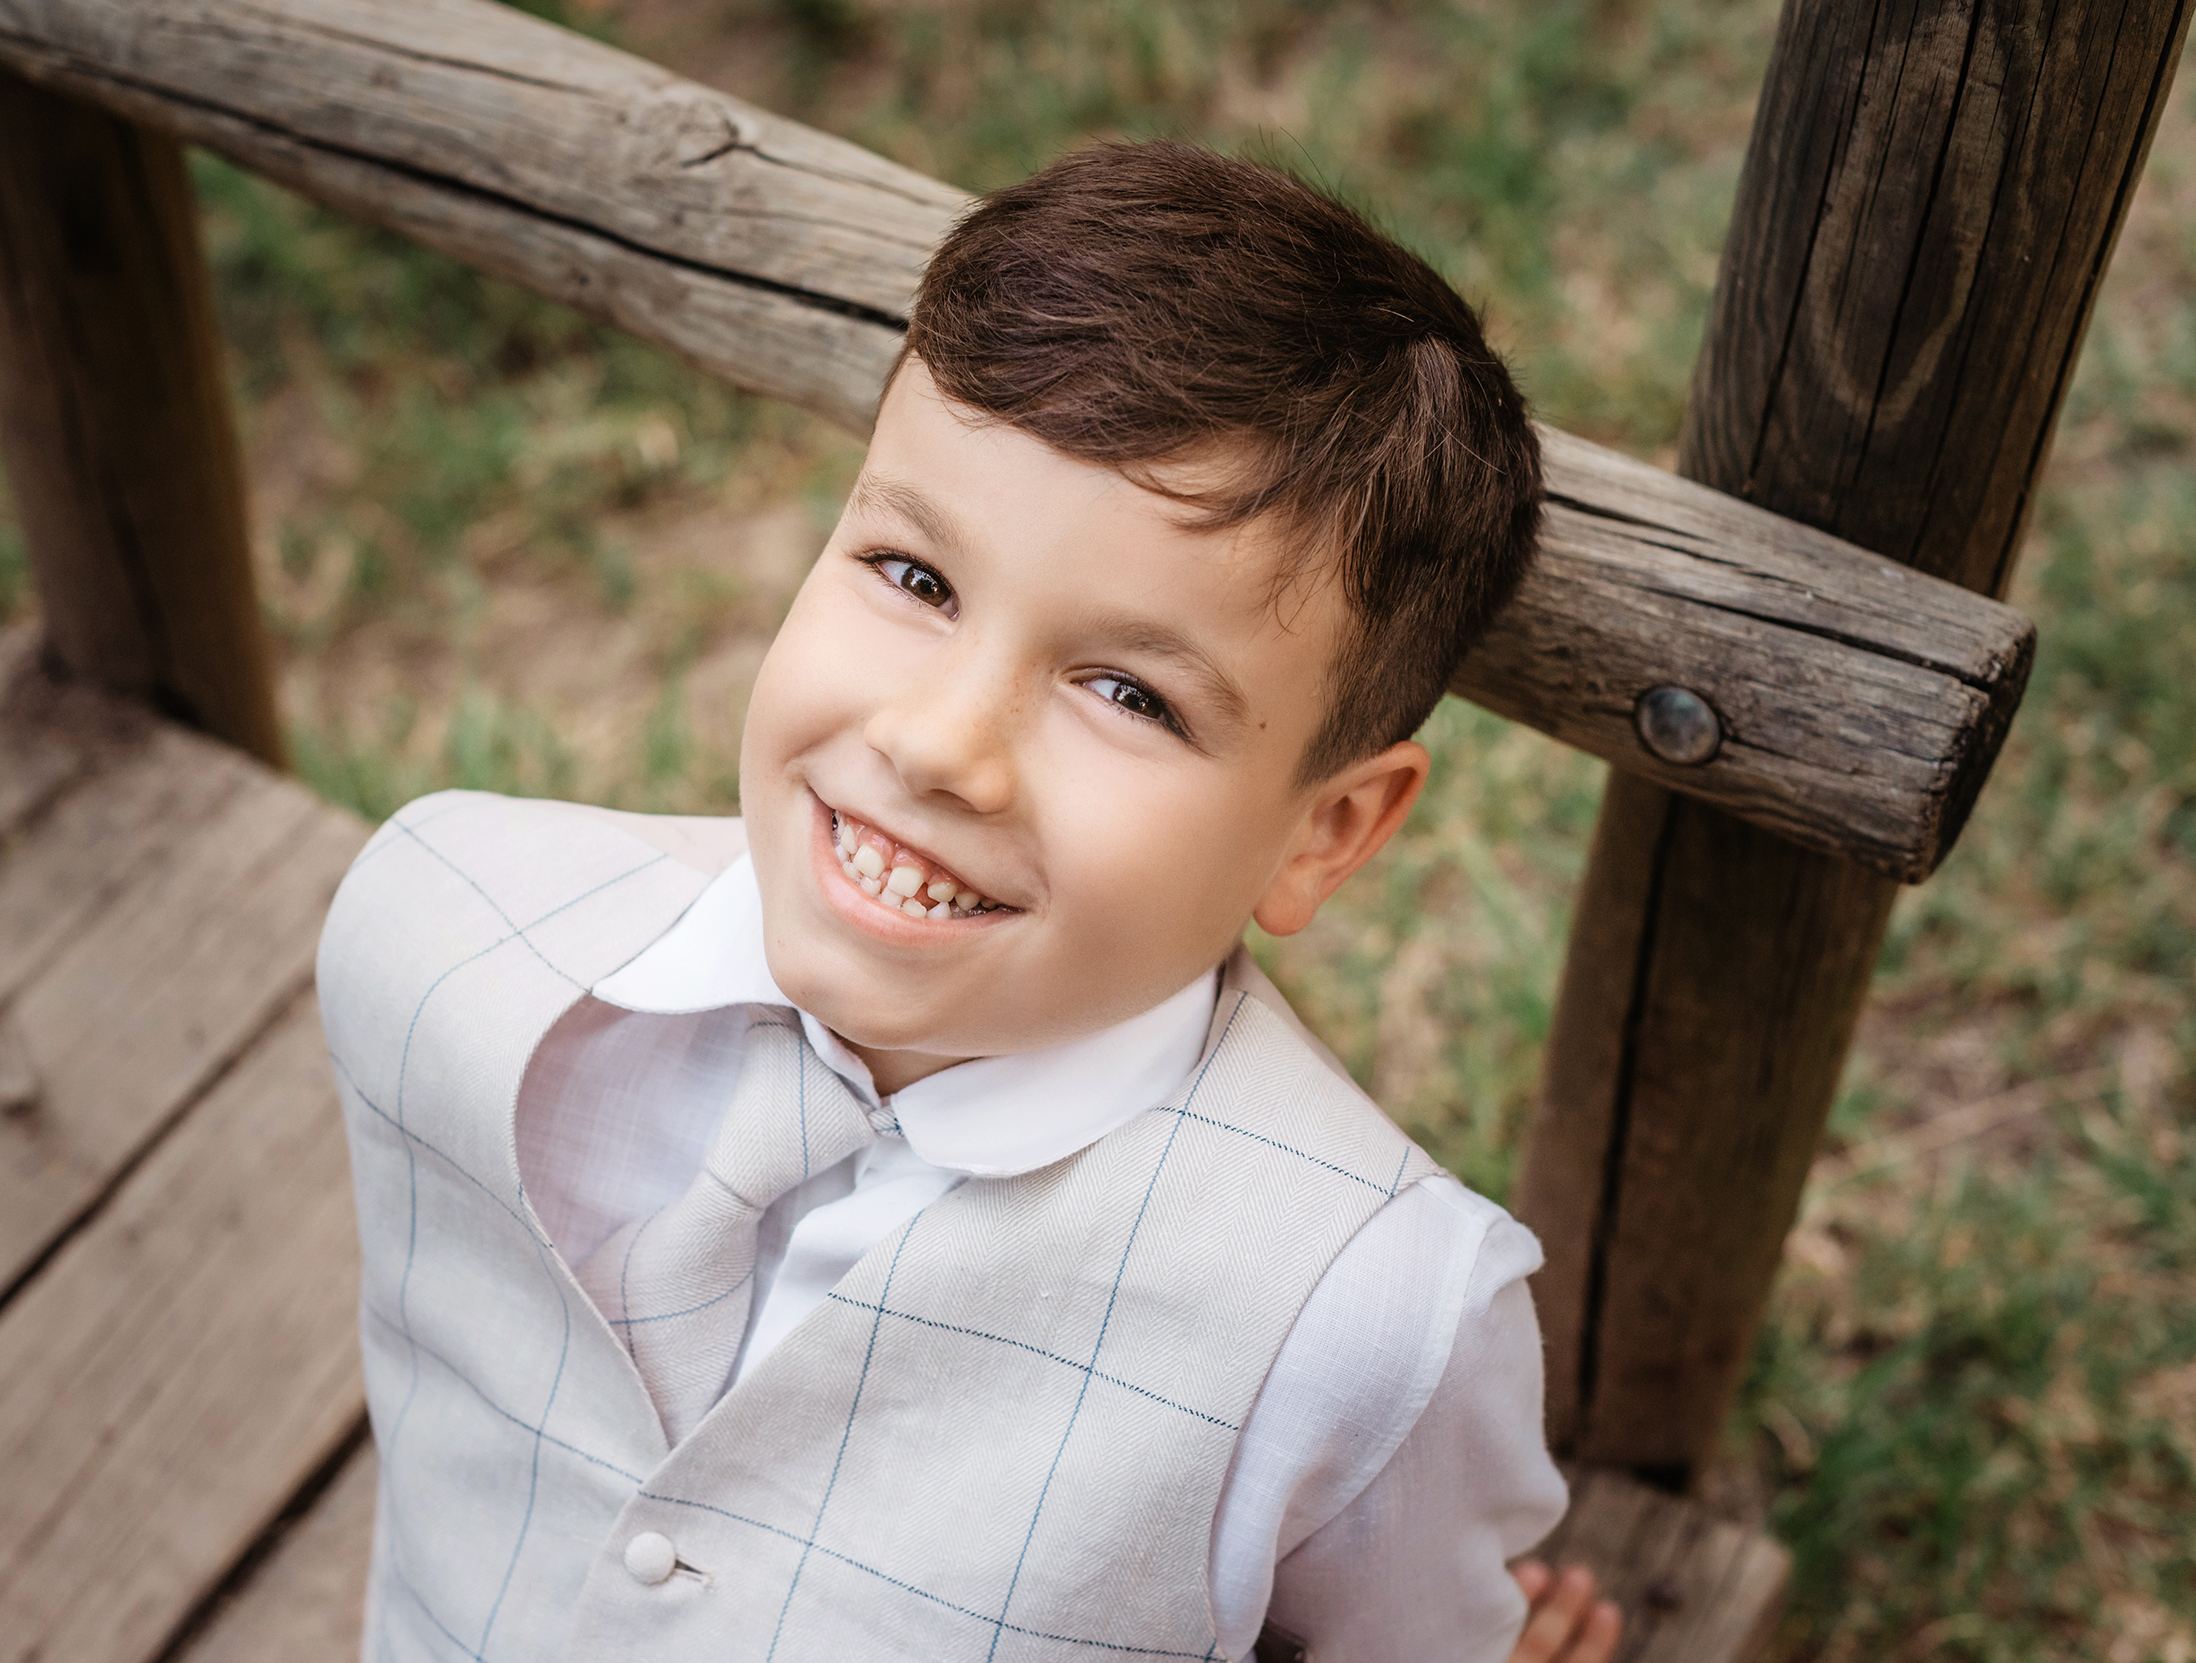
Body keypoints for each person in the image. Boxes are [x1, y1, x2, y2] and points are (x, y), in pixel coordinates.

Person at [317, 139, 1609, 1662]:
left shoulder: (1364, 1322)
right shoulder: (435, 933)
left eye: (1128, 692)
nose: (939, 744)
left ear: (1325, 832)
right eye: (914, 577)